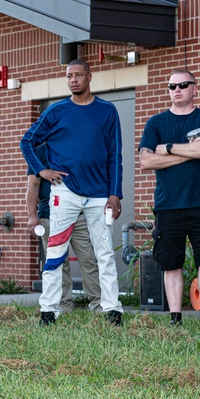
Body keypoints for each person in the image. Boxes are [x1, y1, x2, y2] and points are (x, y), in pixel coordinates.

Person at [20, 59, 123, 326]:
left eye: (78, 75)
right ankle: (49, 310)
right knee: (55, 251)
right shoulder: (56, 111)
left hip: (100, 194)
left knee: (104, 253)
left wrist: (115, 194)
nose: (73, 80)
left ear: (90, 77)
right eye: (69, 76)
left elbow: (115, 154)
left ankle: (112, 309)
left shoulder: (108, 111)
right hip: (64, 192)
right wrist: (42, 170)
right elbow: (27, 141)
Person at [139, 69, 200, 326]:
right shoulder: (156, 123)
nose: (177, 90)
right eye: (172, 86)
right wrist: (190, 151)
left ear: (194, 89)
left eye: (183, 85)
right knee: (170, 263)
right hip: (168, 205)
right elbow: (146, 160)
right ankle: (176, 320)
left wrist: (170, 148)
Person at [25, 164, 101, 314]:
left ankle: (98, 303)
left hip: (78, 215)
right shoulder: (39, 151)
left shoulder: (73, 146)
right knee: (58, 263)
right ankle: (64, 304)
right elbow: (33, 184)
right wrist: (32, 215)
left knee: (89, 258)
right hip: (50, 216)